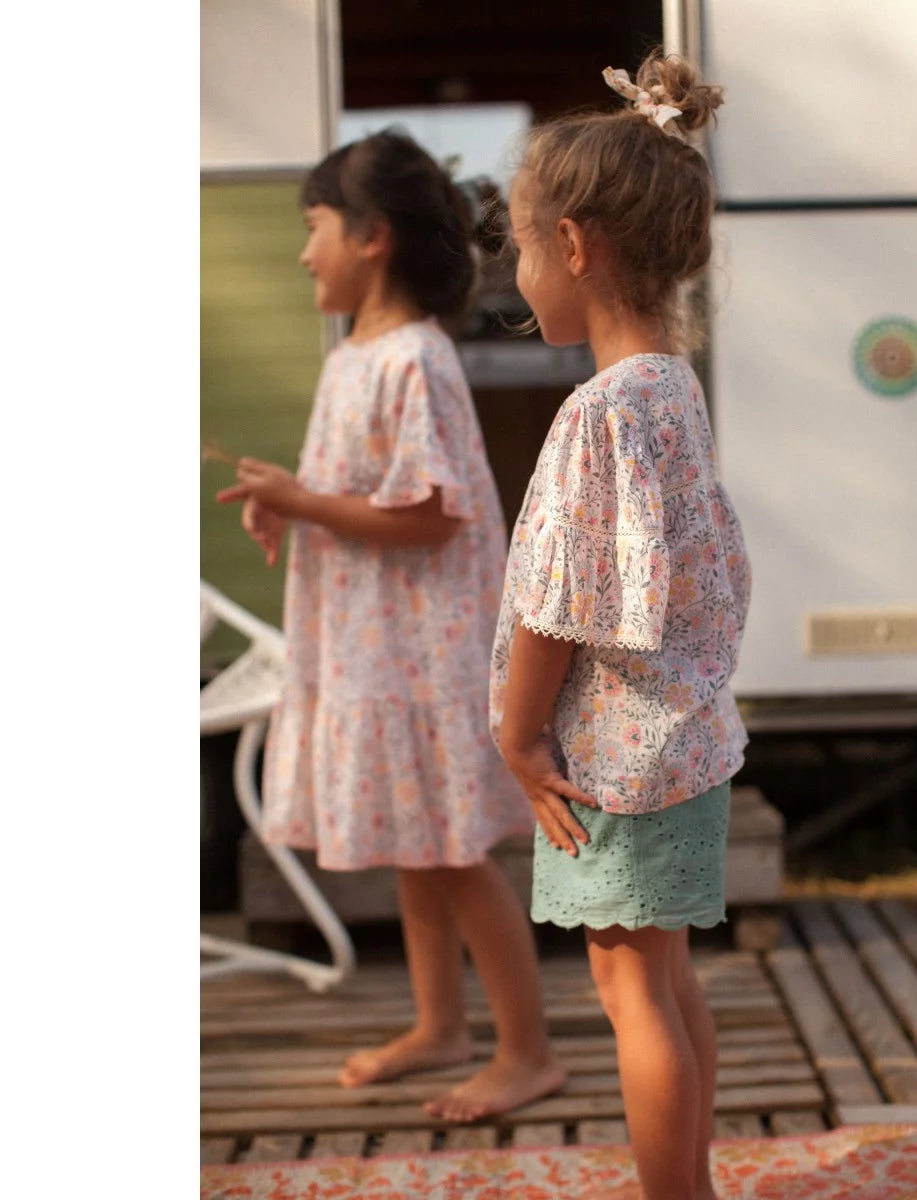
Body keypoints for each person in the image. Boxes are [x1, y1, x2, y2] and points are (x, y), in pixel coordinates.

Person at [215, 130, 565, 1122]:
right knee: (422, 842)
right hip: (377, 646)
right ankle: (441, 1026)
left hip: (424, 651)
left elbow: (432, 514)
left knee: (452, 852)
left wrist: (306, 501)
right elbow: (364, 490)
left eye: (313, 228)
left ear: (371, 237)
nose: (303, 252)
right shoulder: (353, 358)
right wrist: (291, 503)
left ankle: (528, 1052)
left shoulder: (417, 359)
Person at [491, 53, 750, 1200]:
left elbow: (560, 603)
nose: (517, 271)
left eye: (520, 245)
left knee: (630, 992)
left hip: (619, 763)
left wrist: (518, 735)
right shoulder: (673, 387)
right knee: (670, 981)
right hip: (685, 743)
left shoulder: (600, 410)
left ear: (574, 244)